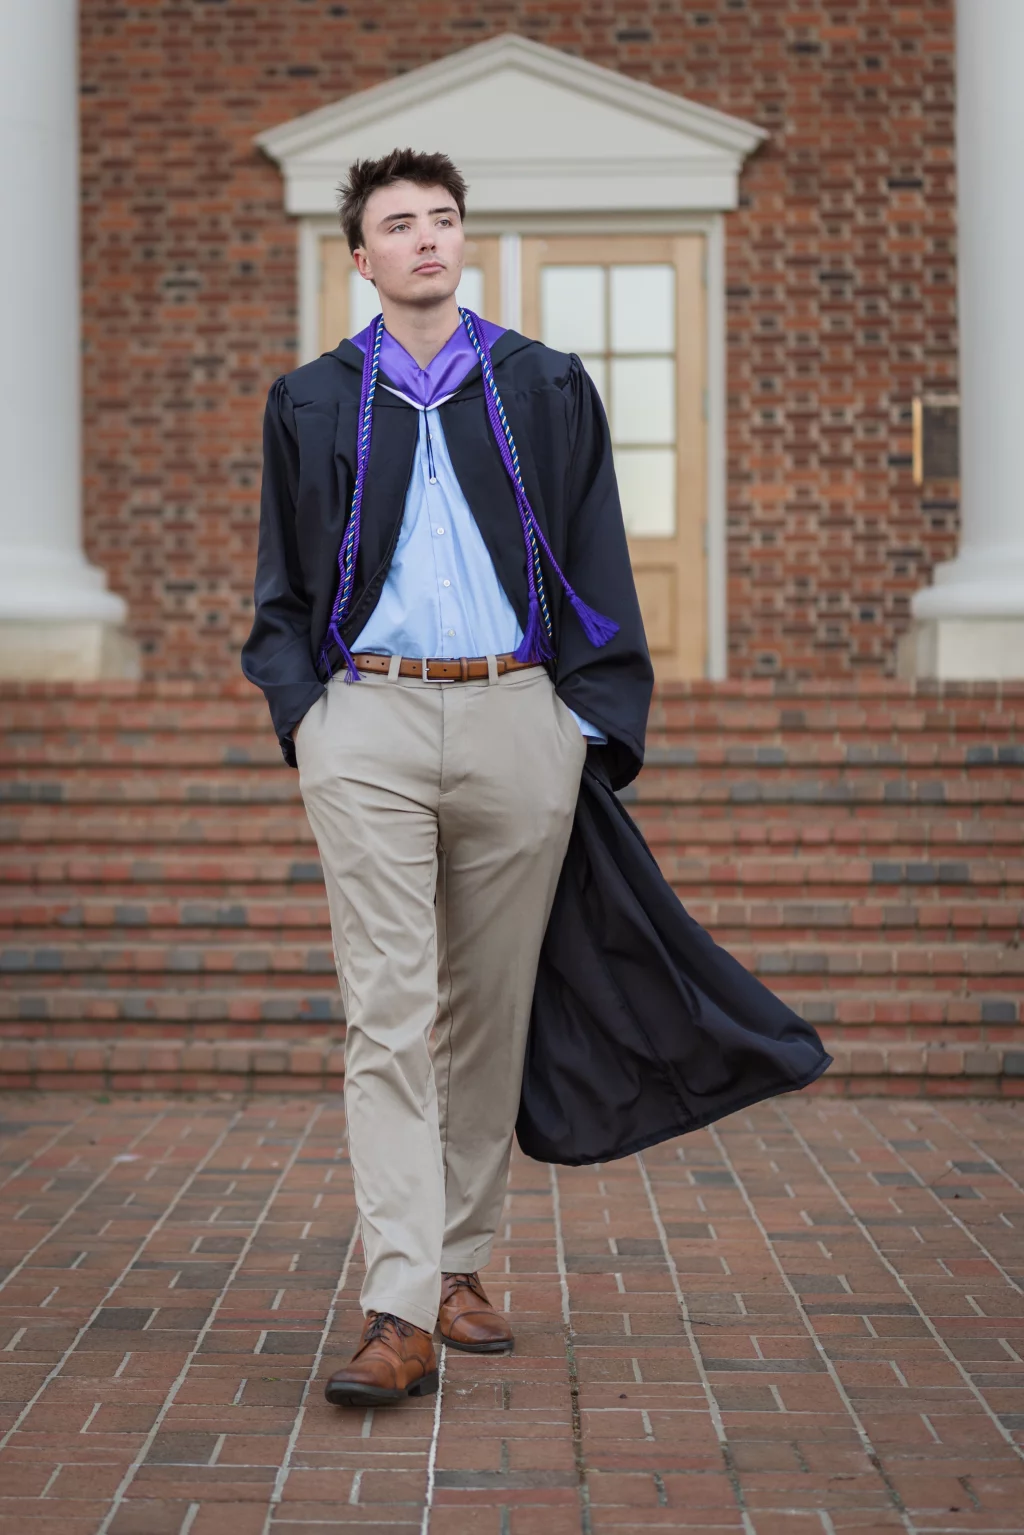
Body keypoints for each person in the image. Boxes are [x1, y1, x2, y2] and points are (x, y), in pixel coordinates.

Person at [241, 147, 653, 1408]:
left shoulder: (539, 384)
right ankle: (400, 1299)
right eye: (398, 224)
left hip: (513, 712)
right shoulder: (311, 399)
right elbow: (282, 586)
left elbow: (596, 551)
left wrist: (580, 723)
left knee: (488, 1011)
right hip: (363, 716)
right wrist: (309, 716)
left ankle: (461, 1263)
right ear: (359, 257)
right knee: (387, 1009)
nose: (427, 237)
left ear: (461, 240)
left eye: (444, 219)